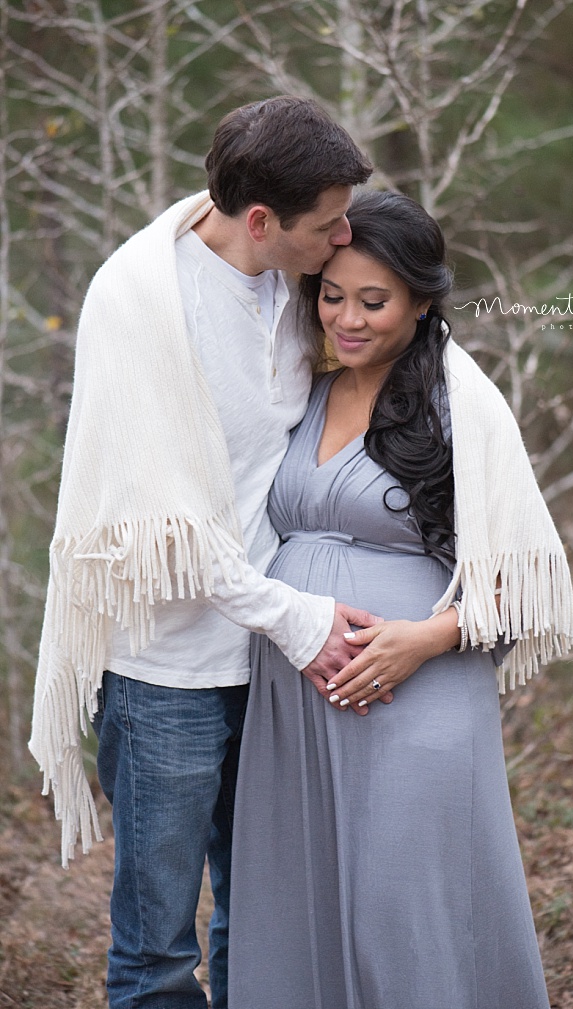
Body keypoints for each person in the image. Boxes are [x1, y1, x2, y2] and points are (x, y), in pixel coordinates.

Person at [28, 96, 401, 1009]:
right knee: (158, 946)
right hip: (168, 674)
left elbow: (395, 335)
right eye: (328, 223)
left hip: (269, 659)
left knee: (262, 918)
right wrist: (304, 619)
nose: (345, 233)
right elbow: (174, 528)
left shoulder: (294, 282)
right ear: (263, 220)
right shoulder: (140, 302)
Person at [227, 190, 573, 1009]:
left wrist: (422, 639)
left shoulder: (462, 407)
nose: (347, 318)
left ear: (422, 302)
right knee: (302, 909)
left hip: (417, 694)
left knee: (404, 914)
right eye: (332, 294)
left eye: (374, 301)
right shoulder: (303, 392)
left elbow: (525, 580)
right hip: (299, 697)